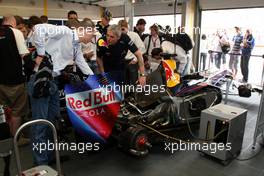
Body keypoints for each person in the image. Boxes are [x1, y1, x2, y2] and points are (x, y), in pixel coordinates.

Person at [30, 20, 94, 165]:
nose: (92, 38)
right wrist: (41, 54)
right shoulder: (65, 32)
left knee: (52, 121)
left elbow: (82, 64)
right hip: (40, 80)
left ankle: (50, 157)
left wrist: (96, 81)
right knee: (40, 123)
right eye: (92, 34)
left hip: (53, 81)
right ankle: (40, 163)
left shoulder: (76, 46)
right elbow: (38, 28)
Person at [0, 16, 32, 136]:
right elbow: (24, 54)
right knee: (17, 112)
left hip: (1, 81)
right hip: (15, 80)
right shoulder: (15, 32)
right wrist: (35, 65)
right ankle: (15, 139)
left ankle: (8, 139)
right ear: (13, 23)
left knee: (6, 111)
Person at [118, 19, 146, 84]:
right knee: (123, 82)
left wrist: (135, 59)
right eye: (120, 29)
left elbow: (142, 49)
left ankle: (134, 94)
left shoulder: (134, 35)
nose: (122, 31)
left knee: (134, 82)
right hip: (122, 63)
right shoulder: (118, 37)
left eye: (123, 29)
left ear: (127, 27)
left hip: (132, 62)